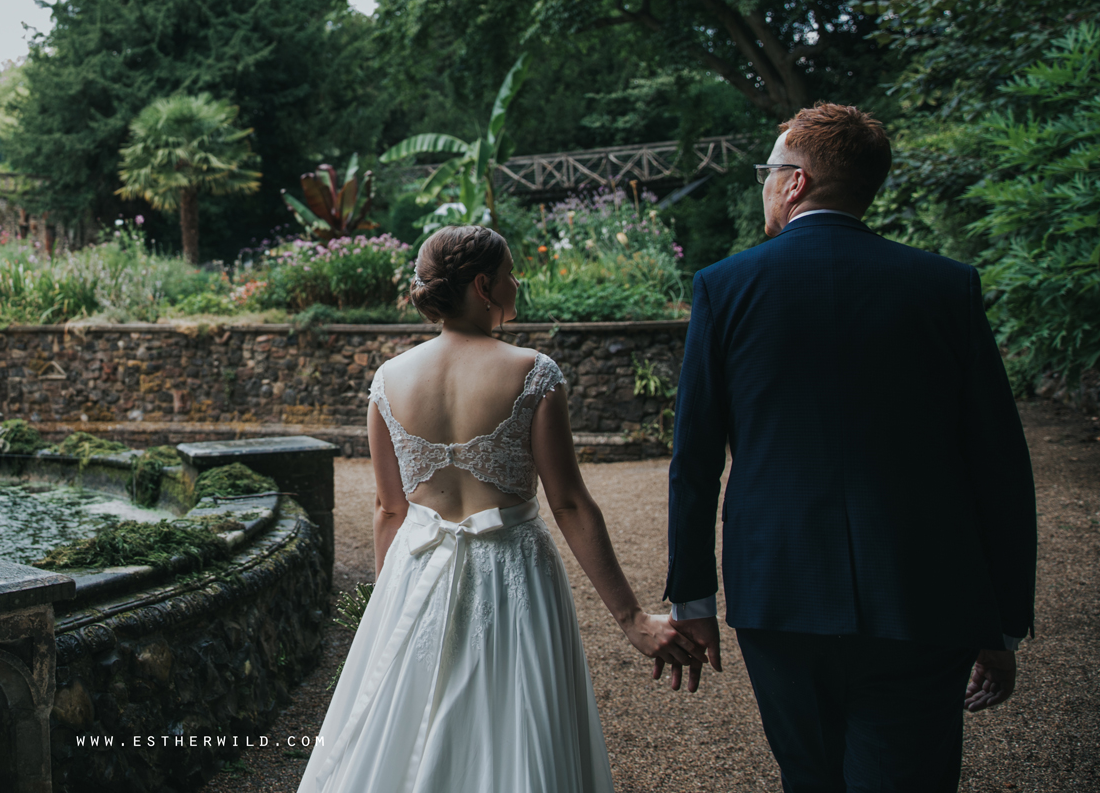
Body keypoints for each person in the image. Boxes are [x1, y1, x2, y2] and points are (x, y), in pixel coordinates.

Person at [664, 103, 1037, 792]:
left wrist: (693, 601)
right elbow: (999, 465)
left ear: (796, 182)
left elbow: (694, 462)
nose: (764, 185)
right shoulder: (946, 287)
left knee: (811, 776)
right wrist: (1003, 622)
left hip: (777, 588)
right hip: (923, 589)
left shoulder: (725, 287)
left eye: (767, 172)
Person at [299, 224, 703, 793]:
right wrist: (632, 619)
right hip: (515, 576)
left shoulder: (388, 380)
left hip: (415, 573)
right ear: (484, 286)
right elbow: (569, 503)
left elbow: (389, 510)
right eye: (512, 272)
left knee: (408, 718)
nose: (519, 282)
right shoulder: (532, 373)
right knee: (517, 726)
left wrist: (390, 604)